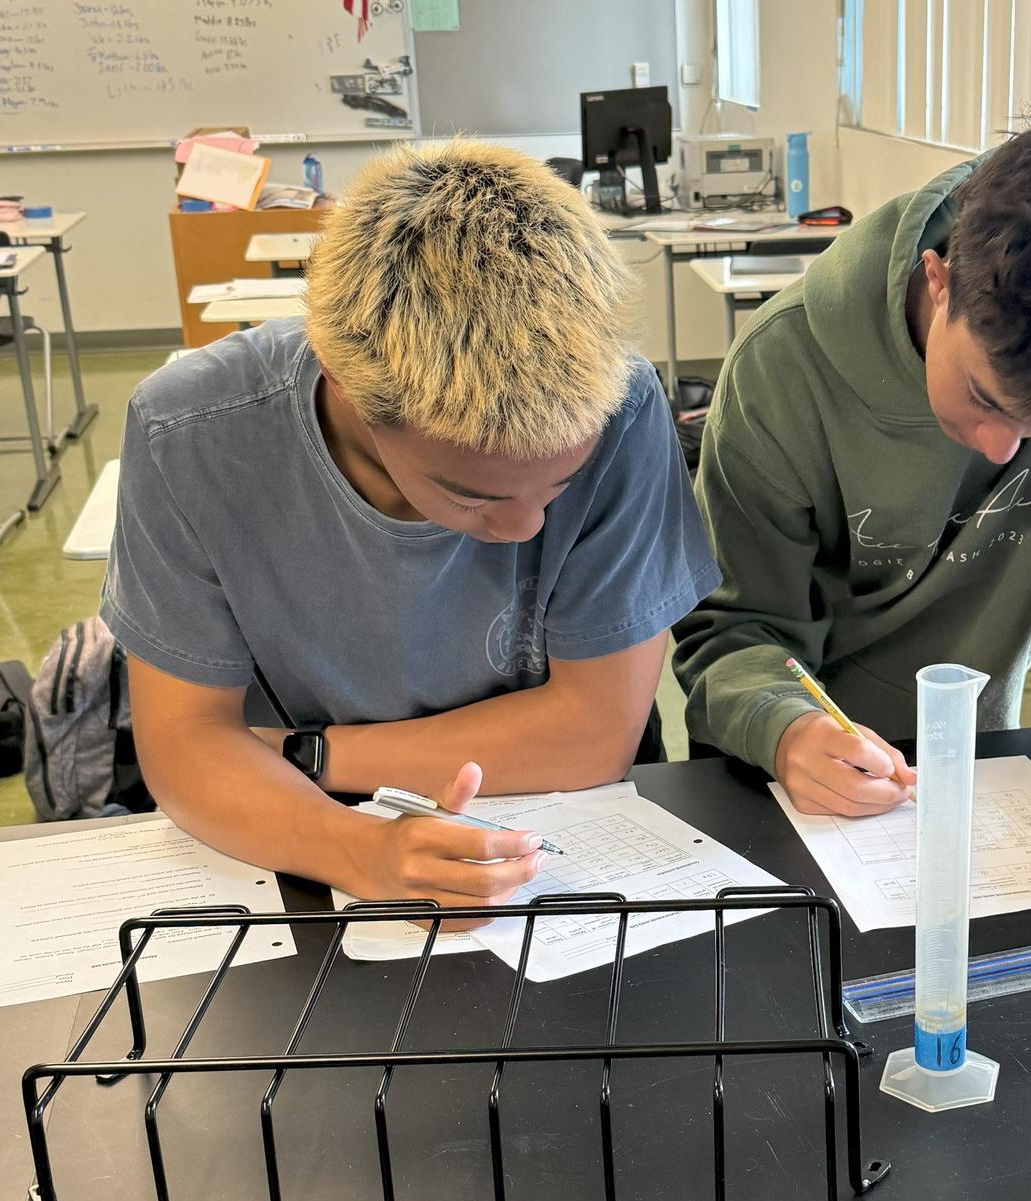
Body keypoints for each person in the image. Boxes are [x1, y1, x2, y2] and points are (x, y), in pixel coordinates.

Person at [103, 139, 718, 906]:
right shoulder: (188, 433)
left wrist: (300, 753)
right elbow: (186, 742)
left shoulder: (625, 405)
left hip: (562, 830)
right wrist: (356, 850)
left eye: (562, 485)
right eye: (473, 496)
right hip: (301, 832)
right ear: (344, 386)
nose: (526, 529)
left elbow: (591, 736)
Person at [674, 118, 1031, 867]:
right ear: (939, 280)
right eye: (985, 399)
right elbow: (732, 631)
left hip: (978, 776)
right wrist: (784, 725)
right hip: (778, 790)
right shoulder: (781, 369)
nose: (1000, 451)